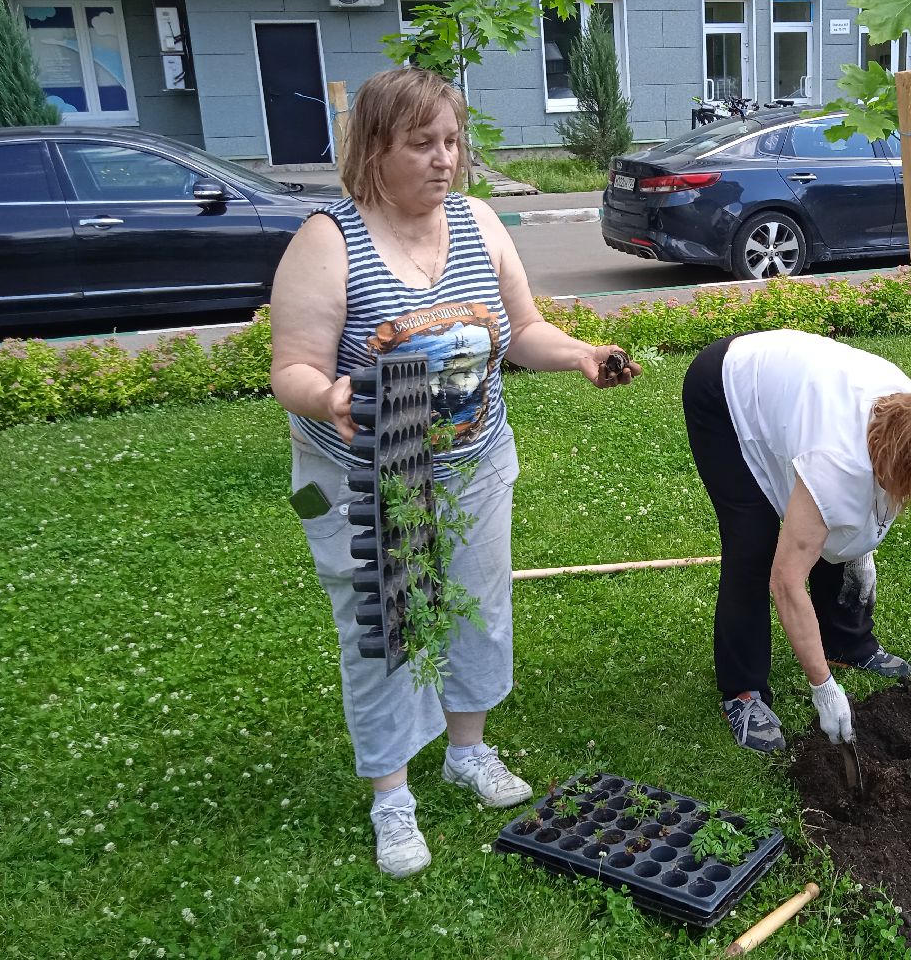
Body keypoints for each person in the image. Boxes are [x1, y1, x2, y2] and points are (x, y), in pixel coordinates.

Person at [269, 67, 639, 879]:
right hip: (369, 480)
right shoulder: (328, 242)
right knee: (387, 628)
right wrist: (327, 394)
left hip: (475, 463)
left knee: (478, 609)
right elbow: (290, 368)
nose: (446, 159)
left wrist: (579, 353)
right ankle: (391, 797)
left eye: (452, 141)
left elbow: (521, 329)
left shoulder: (478, 222)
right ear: (374, 149)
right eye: (422, 144)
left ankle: (467, 751)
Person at [682, 329, 911, 753]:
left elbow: (864, 500)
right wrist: (822, 688)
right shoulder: (837, 462)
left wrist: (860, 549)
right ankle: (743, 692)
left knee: (827, 513)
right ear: (887, 463)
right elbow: (786, 581)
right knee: (753, 543)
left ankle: (845, 642)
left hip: (790, 385)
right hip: (726, 389)